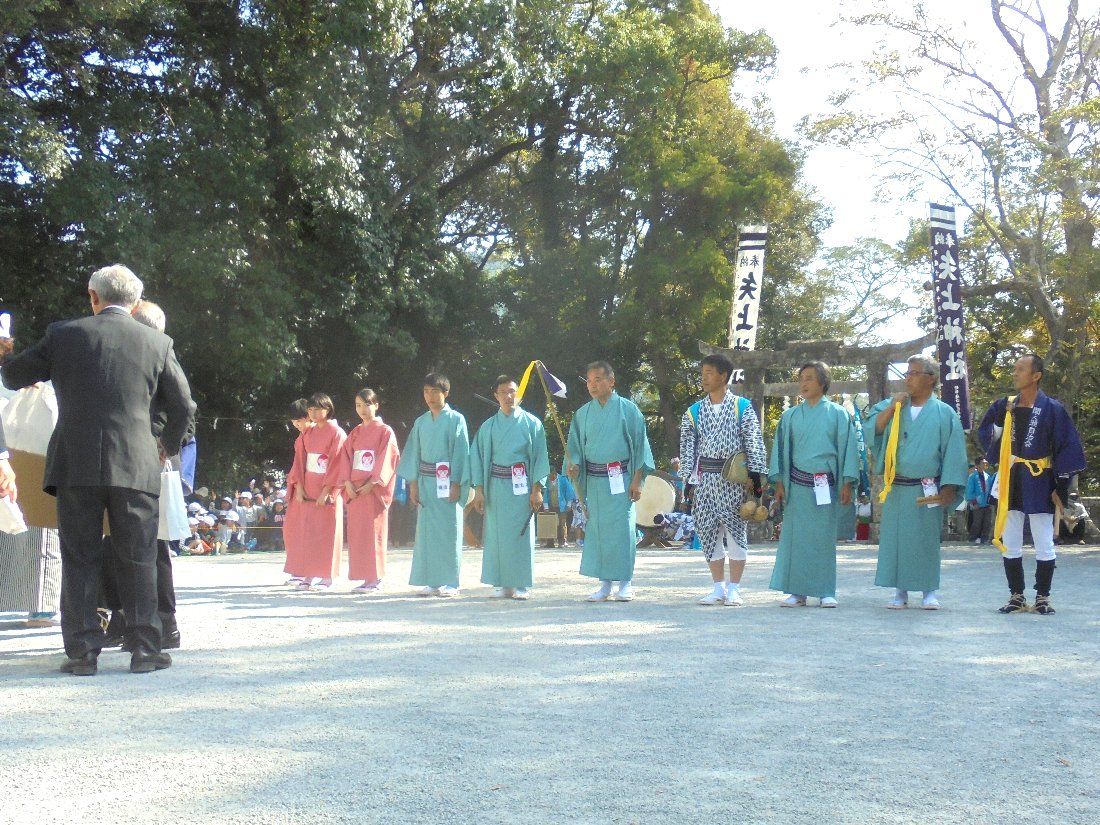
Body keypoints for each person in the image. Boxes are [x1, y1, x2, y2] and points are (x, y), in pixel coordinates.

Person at [1, 264, 195, 675]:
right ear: (136, 303)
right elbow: (183, 405)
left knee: (79, 557)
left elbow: (14, 375)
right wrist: (166, 446)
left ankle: (83, 652)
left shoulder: (64, 335)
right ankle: (145, 648)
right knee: (139, 557)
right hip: (137, 464)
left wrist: (11, 354)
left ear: (93, 296)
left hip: (76, 464)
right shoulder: (157, 342)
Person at [978, 354, 1086, 614]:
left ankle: (1042, 597)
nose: (1014, 373)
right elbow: (987, 434)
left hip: (1039, 478)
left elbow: (1066, 446)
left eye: (1020, 369)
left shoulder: (1053, 409)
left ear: (1036, 376)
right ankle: (1016, 595)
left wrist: (1061, 485)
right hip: (1011, 476)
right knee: (1010, 538)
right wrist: (999, 426)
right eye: (1014, 368)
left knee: (1043, 538)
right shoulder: (1005, 405)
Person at [866, 355, 969, 610]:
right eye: (907, 374)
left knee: (925, 540)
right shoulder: (895, 405)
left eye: (914, 373)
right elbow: (872, 431)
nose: (908, 379)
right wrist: (892, 408)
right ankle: (900, 592)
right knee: (897, 539)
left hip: (927, 487)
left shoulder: (945, 413)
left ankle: (928, 591)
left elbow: (954, 452)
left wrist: (949, 486)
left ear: (930, 379)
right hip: (897, 486)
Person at [678, 353, 767, 607]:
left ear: (723, 376)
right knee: (708, 533)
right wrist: (688, 481)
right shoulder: (693, 412)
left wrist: (755, 477)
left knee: (736, 531)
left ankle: (735, 588)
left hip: (734, 479)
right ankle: (718, 587)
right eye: (703, 373)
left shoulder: (742, 407)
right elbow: (687, 448)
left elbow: (753, 441)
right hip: (704, 479)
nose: (704, 378)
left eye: (709, 373)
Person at [768, 361, 858, 608]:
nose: (803, 383)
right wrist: (779, 482)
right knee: (796, 540)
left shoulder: (838, 414)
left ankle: (825, 590)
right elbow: (781, 452)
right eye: (801, 379)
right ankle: (797, 592)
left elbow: (848, 450)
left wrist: (847, 483)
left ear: (823, 382)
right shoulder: (790, 416)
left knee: (823, 539)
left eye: (809, 378)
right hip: (797, 485)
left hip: (825, 486)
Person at [566, 361, 654, 602]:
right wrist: (574, 466)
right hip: (595, 481)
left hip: (622, 478)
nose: (592, 385)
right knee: (598, 531)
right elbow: (575, 449)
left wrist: (637, 480)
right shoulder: (583, 414)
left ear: (611, 381)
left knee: (623, 530)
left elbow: (640, 447)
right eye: (589, 381)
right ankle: (605, 584)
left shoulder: (629, 410)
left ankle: (625, 583)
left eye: (598, 379)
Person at [470, 375, 550, 600]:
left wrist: (537, 489)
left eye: (512, 391)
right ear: (496, 396)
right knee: (497, 536)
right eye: (503, 392)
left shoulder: (532, 424)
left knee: (521, 535)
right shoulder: (488, 427)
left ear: (519, 394)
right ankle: (503, 582)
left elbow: (540, 458)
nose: (508, 396)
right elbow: (477, 459)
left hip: (522, 487)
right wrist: (479, 490)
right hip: (496, 486)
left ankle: (521, 583)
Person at [395, 373, 470, 596]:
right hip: (426, 482)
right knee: (427, 532)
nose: (430, 396)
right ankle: (433, 580)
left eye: (435, 391)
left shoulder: (456, 419)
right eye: (426, 391)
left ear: (446, 393)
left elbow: (461, 452)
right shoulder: (421, 422)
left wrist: (456, 482)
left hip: (447, 481)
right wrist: (413, 484)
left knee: (449, 530)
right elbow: (413, 454)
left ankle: (451, 581)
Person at [333, 388, 400, 593]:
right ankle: (365, 577)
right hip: (355, 490)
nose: (362, 409)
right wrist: (347, 483)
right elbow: (345, 458)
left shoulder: (385, 431)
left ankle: (376, 578)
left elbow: (388, 458)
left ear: (376, 405)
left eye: (367, 404)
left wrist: (373, 483)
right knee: (358, 534)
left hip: (373, 490)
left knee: (374, 532)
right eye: (358, 405)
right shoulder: (355, 432)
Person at [283, 393, 346, 591]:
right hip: (309, 484)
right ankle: (308, 574)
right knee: (309, 533)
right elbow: (300, 462)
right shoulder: (307, 434)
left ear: (328, 409)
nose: (314, 413)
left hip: (327, 488)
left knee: (327, 532)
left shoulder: (337, 433)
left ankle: (328, 576)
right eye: (311, 409)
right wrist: (300, 488)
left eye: (318, 409)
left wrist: (327, 491)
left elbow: (337, 463)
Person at [965, 457, 995, 545]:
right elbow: (969, 490)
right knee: (977, 522)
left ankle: (984, 539)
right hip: (977, 503)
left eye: (985, 463)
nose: (985, 464)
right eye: (983, 463)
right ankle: (972, 538)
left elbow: (991, 490)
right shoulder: (972, 477)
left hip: (987, 503)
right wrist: (974, 502)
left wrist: (991, 501)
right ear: (977, 465)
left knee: (987, 522)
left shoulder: (988, 476)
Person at [545, 467, 578, 547]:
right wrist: (546, 507)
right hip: (551, 505)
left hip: (562, 506)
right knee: (550, 523)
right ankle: (550, 543)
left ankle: (562, 542)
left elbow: (569, 492)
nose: (549, 477)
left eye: (550, 475)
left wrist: (569, 505)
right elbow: (545, 494)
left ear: (554, 473)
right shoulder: (547, 481)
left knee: (562, 524)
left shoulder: (563, 479)